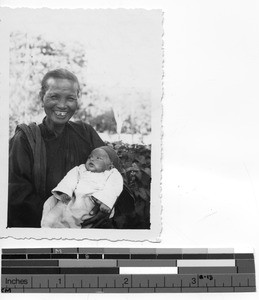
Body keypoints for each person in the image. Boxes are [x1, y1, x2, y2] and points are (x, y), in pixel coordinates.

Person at [8, 68, 135, 228]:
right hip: (43, 228)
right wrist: (63, 221)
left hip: (88, 223)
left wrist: (103, 207)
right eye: (54, 96)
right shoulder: (25, 139)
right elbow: (17, 195)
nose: (62, 105)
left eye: (70, 98)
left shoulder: (86, 133)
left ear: (77, 101)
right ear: (42, 98)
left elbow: (113, 172)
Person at [41, 146, 123, 228]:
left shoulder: (112, 174)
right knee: (55, 214)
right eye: (90, 157)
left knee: (77, 221)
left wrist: (106, 201)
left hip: (92, 203)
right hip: (72, 198)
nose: (92, 159)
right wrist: (65, 191)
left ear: (110, 165)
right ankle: (48, 228)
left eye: (98, 158)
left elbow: (113, 187)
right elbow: (70, 179)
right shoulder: (80, 169)